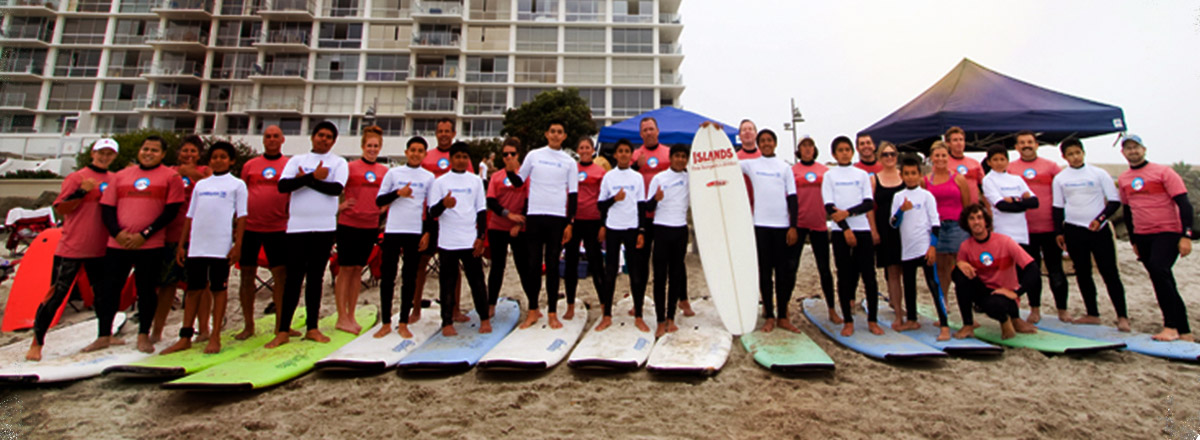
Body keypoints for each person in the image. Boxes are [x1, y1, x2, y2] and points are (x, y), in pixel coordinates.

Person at [26, 139, 117, 361]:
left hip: (101, 248)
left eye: (109, 154)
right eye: (101, 152)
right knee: (56, 294)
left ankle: (104, 335)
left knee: (103, 295)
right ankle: (36, 342)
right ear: (92, 154)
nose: (104, 157)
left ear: (114, 156)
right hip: (72, 247)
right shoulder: (77, 177)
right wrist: (81, 193)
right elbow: (61, 209)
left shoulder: (115, 179)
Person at [95, 136, 186, 353]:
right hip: (118, 244)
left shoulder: (171, 177)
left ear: (163, 154)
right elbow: (107, 209)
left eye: (155, 150)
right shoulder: (121, 176)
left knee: (146, 290)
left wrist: (144, 234)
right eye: (145, 149)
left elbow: (170, 212)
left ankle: (143, 334)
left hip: (150, 244)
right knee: (110, 289)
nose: (149, 153)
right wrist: (117, 233)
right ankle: (103, 335)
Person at [268, 121, 349, 348]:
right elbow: (284, 186)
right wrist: (315, 177)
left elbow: (336, 189)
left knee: (316, 278)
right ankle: (283, 329)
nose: (323, 139)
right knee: (293, 279)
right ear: (312, 137)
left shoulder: (339, 162)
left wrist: (306, 179)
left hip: (324, 228)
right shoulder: (296, 161)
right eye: (320, 135)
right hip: (297, 228)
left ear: (333, 141)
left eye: (328, 137)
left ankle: (312, 327)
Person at [163, 142, 247, 355]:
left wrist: (237, 245)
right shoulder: (201, 185)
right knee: (193, 290)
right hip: (197, 246)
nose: (218, 160)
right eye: (214, 157)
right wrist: (182, 245)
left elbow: (242, 217)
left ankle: (215, 335)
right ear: (209, 160)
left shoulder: (237, 185)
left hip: (220, 246)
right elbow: (190, 216)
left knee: (218, 290)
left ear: (231, 161)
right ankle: (185, 336)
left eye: (223, 157)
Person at [1117, 134, 1194, 342]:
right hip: (1143, 235)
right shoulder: (1124, 179)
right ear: (1123, 153)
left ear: (1144, 149)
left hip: (1167, 232)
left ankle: (1171, 326)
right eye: (1128, 148)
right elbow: (1128, 212)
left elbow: (1184, 204)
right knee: (1162, 280)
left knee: (1160, 271)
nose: (1133, 151)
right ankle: (1183, 329)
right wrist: (1133, 240)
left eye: (1136, 147)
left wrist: (1186, 235)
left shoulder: (1163, 172)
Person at [1051, 138, 1127, 330]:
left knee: (1109, 273)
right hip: (1073, 229)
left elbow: (1114, 202)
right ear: (1064, 157)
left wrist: (1100, 219)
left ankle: (1122, 316)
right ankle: (1092, 313)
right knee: (1083, 273)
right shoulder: (1060, 178)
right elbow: (1058, 207)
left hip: (1098, 229)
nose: (1075, 157)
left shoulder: (1099, 173)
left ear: (1083, 153)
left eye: (1078, 153)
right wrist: (1059, 232)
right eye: (1070, 154)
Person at [516, 120, 578, 329]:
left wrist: (570, 223)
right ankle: (533, 310)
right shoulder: (534, 155)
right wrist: (508, 170)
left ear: (564, 136)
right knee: (533, 265)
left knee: (552, 266)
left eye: (559, 132)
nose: (555, 135)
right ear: (546, 134)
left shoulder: (569, 161)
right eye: (552, 131)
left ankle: (552, 312)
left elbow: (573, 195)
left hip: (557, 218)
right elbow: (518, 181)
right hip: (534, 216)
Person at [374, 136, 436, 338]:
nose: (416, 154)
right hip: (392, 230)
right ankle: (385, 322)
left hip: (414, 231)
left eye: (420, 151)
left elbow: (430, 208)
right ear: (406, 152)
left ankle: (403, 322)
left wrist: (427, 232)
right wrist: (398, 193)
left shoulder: (428, 177)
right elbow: (379, 200)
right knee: (388, 277)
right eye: (413, 150)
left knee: (409, 278)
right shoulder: (393, 173)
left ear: (425, 154)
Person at [426, 142, 491, 336]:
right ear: (450, 159)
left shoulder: (475, 181)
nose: (461, 160)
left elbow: (481, 211)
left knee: (477, 281)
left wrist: (480, 237)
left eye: (465, 157)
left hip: (469, 239)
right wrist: (443, 204)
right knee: (447, 282)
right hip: (448, 241)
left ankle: (485, 319)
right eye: (457, 157)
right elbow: (432, 212)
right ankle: (447, 322)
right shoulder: (440, 182)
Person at [153, 135, 212, 344]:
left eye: (193, 151)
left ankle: (204, 328)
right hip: (171, 234)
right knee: (167, 284)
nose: (188, 155)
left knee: (199, 285)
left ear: (199, 154)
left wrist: (193, 174)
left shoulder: (205, 171)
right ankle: (157, 330)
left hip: (198, 235)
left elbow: (214, 187)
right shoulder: (169, 172)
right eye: (185, 151)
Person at [740, 130, 800, 333]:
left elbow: (793, 198)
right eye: (762, 141)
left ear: (775, 143)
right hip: (760, 226)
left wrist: (793, 226)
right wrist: (714, 132)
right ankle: (770, 316)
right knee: (764, 273)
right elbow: (726, 163)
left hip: (782, 226)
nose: (766, 144)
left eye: (769, 140)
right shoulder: (751, 164)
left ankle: (783, 315)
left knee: (782, 274)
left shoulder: (785, 167)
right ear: (758, 144)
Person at [234, 125, 291, 340]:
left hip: (278, 227)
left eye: (276, 136)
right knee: (246, 276)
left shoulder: (288, 165)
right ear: (263, 140)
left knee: (280, 277)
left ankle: (280, 326)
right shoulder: (250, 166)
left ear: (282, 139)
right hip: (250, 228)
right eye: (268, 136)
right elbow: (243, 194)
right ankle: (248, 325)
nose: (272, 139)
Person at [632, 117, 693, 316]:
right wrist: (636, 167)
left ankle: (683, 300)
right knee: (641, 261)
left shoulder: (669, 153)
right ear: (641, 134)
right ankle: (638, 302)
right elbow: (628, 178)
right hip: (644, 216)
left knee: (677, 263)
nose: (649, 133)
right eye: (645, 130)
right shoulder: (635, 154)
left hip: (668, 217)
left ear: (658, 131)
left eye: (651, 129)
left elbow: (684, 172)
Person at [952, 203, 1040, 340]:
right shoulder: (966, 246)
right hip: (983, 292)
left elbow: (1032, 268)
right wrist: (960, 263)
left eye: (980, 217)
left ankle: (1011, 320)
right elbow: (959, 279)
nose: (976, 222)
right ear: (966, 223)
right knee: (959, 274)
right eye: (972, 218)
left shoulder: (1005, 241)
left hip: (1005, 296)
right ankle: (968, 325)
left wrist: (1016, 292)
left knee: (996, 303)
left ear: (986, 221)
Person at [823, 136, 882, 336]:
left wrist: (847, 213)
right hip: (841, 233)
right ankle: (848, 320)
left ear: (852, 151)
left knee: (869, 276)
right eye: (840, 150)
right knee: (844, 276)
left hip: (863, 230)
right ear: (834, 154)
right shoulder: (830, 176)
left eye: (848, 149)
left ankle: (872, 320)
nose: (845, 153)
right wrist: (846, 228)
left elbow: (868, 203)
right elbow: (829, 207)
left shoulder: (861, 175)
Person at [415, 117, 472, 323]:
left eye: (448, 131)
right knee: (421, 263)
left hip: (455, 221)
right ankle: (415, 310)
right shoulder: (427, 157)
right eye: (441, 131)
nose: (444, 134)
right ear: (436, 133)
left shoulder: (460, 157)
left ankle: (454, 309)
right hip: (429, 217)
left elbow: (471, 189)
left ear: (453, 133)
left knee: (453, 266)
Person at [1007, 131, 1068, 323]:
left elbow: (1064, 195)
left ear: (1036, 145)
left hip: (1050, 228)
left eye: (1030, 142)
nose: (1026, 145)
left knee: (1055, 270)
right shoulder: (1010, 169)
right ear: (1016, 147)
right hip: (1024, 231)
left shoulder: (1051, 167)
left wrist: (1061, 226)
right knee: (1031, 272)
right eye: (1022, 142)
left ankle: (1062, 309)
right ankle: (1035, 308)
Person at [333, 125, 388, 335]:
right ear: (362, 146)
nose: (372, 149)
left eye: (376, 146)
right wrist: (339, 207)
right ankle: (341, 316)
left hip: (370, 225)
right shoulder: (349, 167)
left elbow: (387, 195)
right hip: (349, 224)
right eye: (369, 145)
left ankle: (352, 314)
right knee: (345, 269)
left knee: (358, 270)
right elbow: (334, 190)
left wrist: (384, 206)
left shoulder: (384, 171)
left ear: (380, 147)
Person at [889, 155, 951, 340]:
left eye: (913, 173)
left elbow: (936, 223)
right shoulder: (898, 197)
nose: (910, 177)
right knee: (909, 285)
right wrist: (901, 210)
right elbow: (893, 223)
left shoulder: (926, 196)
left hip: (925, 248)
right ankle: (912, 319)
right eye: (906, 174)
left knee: (933, 285)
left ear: (919, 174)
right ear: (901, 175)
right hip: (908, 249)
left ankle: (944, 324)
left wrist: (932, 247)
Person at [597, 139, 648, 332]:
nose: (624, 154)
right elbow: (600, 205)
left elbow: (642, 206)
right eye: (621, 151)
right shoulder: (609, 177)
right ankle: (607, 315)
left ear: (631, 155)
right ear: (616, 155)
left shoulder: (637, 177)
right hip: (613, 228)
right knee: (610, 274)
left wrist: (641, 231)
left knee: (635, 275)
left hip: (632, 228)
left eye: (627, 151)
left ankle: (639, 316)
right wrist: (613, 199)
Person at [645, 143, 693, 337]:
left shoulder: (690, 178)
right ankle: (660, 320)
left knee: (675, 276)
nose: (681, 159)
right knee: (659, 278)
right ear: (670, 158)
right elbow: (647, 207)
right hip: (661, 230)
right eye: (677, 156)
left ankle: (671, 318)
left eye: (684, 156)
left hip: (680, 230)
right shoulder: (659, 178)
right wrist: (656, 198)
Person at [791, 135, 838, 324]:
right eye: (804, 146)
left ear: (815, 149)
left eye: (810, 145)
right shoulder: (792, 170)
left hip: (819, 225)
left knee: (824, 269)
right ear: (799, 150)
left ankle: (832, 309)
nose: (808, 149)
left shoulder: (825, 171)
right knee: (791, 267)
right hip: (799, 225)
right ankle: (784, 308)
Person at [484, 137, 530, 319]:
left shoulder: (525, 176)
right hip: (498, 226)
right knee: (497, 267)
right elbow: (491, 201)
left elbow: (529, 201)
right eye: (505, 154)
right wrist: (507, 215)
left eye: (513, 154)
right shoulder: (496, 176)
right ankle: (491, 304)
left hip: (519, 228)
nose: (509, 157)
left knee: (523, 267)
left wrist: (519, 223)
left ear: (519, 155)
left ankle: (532, 305)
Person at [563, 137, 606, 320]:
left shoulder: (600, 171)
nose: (585, 150)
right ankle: (570, 305)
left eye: (588, 147)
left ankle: (605, 305)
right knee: (570, 265)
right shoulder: (572, 169)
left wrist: (604, 224)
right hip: (574, 222)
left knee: (596, 265)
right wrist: (567, 222)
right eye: (581, 147)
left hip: (593, 222)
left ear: (593, 150)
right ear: (578, 151)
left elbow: (605, 199)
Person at [925, 141, 972, 298]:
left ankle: (966, 301)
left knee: (961, 265)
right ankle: (943, 301)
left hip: (957, 226)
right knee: (942, 268)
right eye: (937, 155)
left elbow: (967, 206)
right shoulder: (925, 181)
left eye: (943, 155)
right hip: (937, 228)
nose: (940, 159)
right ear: (932, 157)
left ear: (948, 157)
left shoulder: (959, 179)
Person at [869, 141, 904, 322]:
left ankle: (907, 309)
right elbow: (869, 208)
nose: (889, 157)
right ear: (879, 157)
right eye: (885, 154)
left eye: (892, 154)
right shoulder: (874, 179)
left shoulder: (905, 176)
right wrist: (874, 231)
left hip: (905, 229)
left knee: (907, 271)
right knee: (892, 272)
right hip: (885, 228)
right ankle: (897, 311)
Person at [982, 144, 1037, 252]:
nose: (999, 163)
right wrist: (1024, 204)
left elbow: (1035, 202)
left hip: (1022, 233)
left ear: (1007, 161)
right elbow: (1002, 206)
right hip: (1003, 231)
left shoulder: (1017, 179)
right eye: (995, 159)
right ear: (989, 162)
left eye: (1002, 159)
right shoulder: (988, 180)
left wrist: (1014, 200)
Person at [944, 126, 983, 204]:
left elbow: (983, 188)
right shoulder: (943, 163)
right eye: (955, 140)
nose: (959, 143)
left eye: (961, 140)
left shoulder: (975, 163)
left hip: (972, 209)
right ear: (948, 143)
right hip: (953, 208)